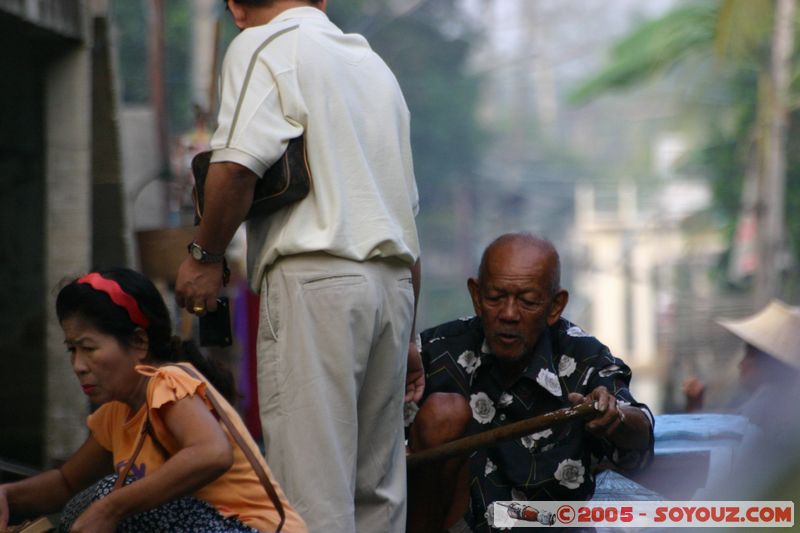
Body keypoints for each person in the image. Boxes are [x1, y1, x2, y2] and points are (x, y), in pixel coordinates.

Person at [175, 1, 421, 532]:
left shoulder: (262, 45)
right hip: (393, 289)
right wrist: (411, 339)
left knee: (313, 499)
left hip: (318, 284)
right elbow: (405, 214)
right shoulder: (374, 66)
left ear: (237, 9)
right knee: (378, 496)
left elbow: (235, 168)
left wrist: (204, 256)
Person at [0, 268, 306, 533]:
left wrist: (111, 509)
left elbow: (213, 453)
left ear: (139, 343)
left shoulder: (167, 382)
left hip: (249, 528)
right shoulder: (116, 414)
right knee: (82, 505)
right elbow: (66, 483)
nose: (78, 365)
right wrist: (7, 497)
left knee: (109, 495)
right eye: (72, 350)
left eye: (88, 348)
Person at [406, 233, 653, 533]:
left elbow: (640, 435)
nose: (509, 314)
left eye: (528, 301)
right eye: (496, 298)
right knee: (443, 412)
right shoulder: (434, 353)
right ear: (476, 296)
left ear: (555, 306)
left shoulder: (582, 356)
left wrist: (615, 417)